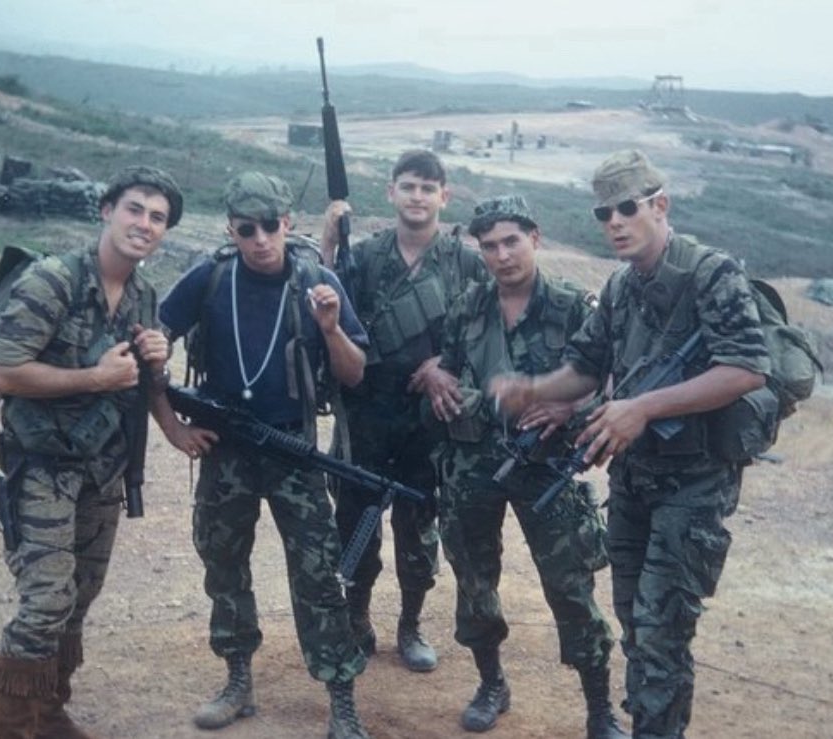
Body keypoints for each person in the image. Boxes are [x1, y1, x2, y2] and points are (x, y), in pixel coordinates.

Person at [491, 151, 770, 739]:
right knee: (635, 626)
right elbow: (586, 367)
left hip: (693, 484)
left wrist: (641, 407)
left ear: (659, 205)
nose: (614, 221)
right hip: (633, 482)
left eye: (627, 208)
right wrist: (532, 389)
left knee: (662, 630)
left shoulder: (709, 275)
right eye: (603, 212)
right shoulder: (621, 286)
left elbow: (746, 368)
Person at [157, 172, 373, 738]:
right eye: (246, 229)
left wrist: (330, 329)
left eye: (270, 226)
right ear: (231, 229)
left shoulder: (316, 280)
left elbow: (354, 372)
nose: (260, 239)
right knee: (223, 564)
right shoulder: (209, 278)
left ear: (288, 223)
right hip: (224, 446)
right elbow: (149, 345)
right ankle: (237, 682)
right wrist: (170, 425)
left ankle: (341, 700)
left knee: (319, 574)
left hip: (290, 445)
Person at [0, 165, 184, 738]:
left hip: (102, 472)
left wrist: (157, 362)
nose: (144, 224)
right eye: (135, 209)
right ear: (106, 210)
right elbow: (3, 372)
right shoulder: (54, 280)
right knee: (45, 600)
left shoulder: (144, 295)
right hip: (42, 465)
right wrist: (94, 379)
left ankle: (47, 713)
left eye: (157, 217)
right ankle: (14, 728)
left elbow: (141, 383)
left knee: (79, 597)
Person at [426, 196, 629, 737]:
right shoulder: (468, 306)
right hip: (471, 463)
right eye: (488, 245)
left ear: (534, 238)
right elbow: (448, 371)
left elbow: (611, 386)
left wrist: (571, 407)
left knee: (569, 587)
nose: (501, 255)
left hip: (546, 466)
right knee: (474, 580)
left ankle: (599, 708)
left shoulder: (571, 307)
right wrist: (442, 382)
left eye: (511, 241)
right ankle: (492, 683)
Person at [320, 149, 487, 673]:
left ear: (445, 196)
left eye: (427, 187)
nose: (417, 196)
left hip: (430, 422)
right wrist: (328, 239)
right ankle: (357, 619)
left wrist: (447, 363)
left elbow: (489, 334)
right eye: (408, 186)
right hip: (367, 415)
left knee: (418, 532)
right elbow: (325, 302)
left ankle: (410, 625)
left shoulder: (466, 263)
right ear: (391, 192)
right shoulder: (363, 256)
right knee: (355, 526)